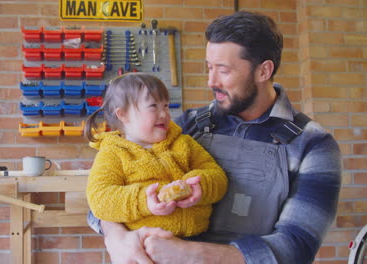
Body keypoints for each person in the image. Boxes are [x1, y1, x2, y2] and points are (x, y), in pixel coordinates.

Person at [87, 11, 341, 264]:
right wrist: (117, 237)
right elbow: (101, 201)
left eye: (224, 70)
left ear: (264, 71)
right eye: (209, 68)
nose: (211, 81)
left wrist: (189, 255)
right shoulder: (186, 126)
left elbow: (296, 247)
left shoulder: (313, 146)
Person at [84, 72, 227, 238]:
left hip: (198, 241)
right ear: (123, 114)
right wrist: (146, 200)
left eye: (165, 106)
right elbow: (100, 199)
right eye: (153, 106)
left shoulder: (183, 143)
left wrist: (199, 186)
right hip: (146, 245)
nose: (164, 114)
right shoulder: (113, 153)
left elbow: (217, 175)